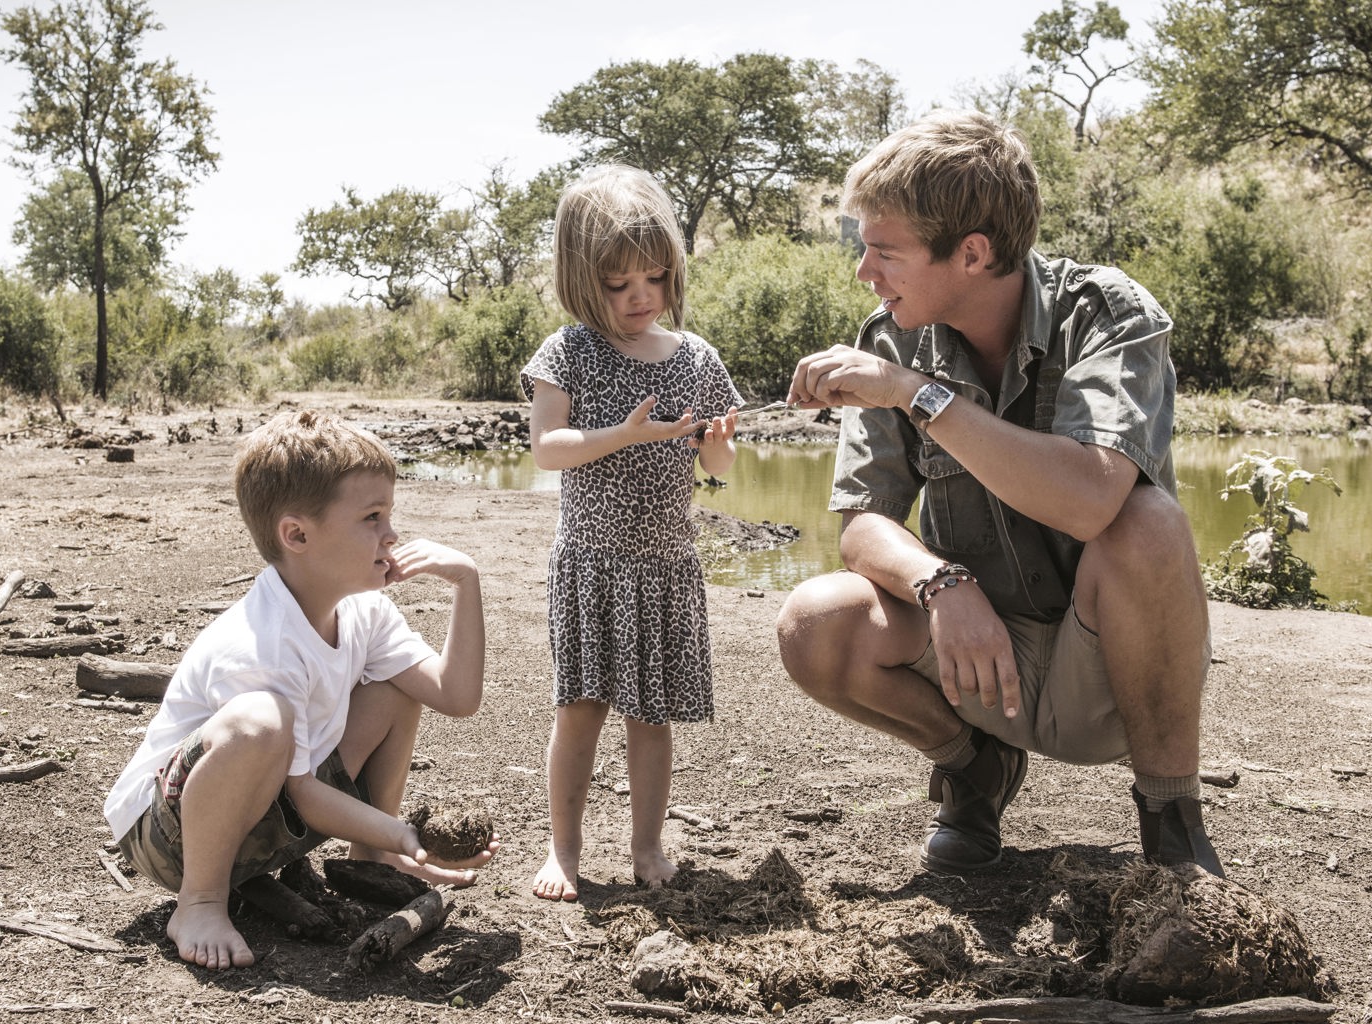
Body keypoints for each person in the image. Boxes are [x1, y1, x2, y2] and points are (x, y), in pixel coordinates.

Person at [775, 110, 1225, 879]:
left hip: (1118, 672)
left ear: (973, 253)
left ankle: (1171, 819)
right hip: (979, 662)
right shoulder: (890, 337)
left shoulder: (1107, 312)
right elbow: (862, 525)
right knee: (816, 620)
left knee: (1145, 519)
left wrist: (919, 396)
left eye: (884, 251)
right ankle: (974, 768)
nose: (865, 272)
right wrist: (942, 585)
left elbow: (1090, 500)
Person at [101, 410, 497, 970]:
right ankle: (200, 902)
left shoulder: (365, 612)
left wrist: (466, 582)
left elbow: (455, 696)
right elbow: (307, 796)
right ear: (298, 534)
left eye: (390, 514)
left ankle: (372, 857)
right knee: (261, 722)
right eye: (372, 517)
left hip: (265, 816)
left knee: (395, 688)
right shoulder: (259, 643)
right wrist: (412, 835)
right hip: (169, 837)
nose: (392, 534)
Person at [520, 164, 742, 901]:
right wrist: (624, 433)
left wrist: (717, 440)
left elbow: (718, 462)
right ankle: (565, 851)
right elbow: (547, 449)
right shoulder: (568, 352)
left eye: (653, 277)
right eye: (618, 285)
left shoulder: (696, 357)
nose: (639, 296)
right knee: (579, 712)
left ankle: (647, 849)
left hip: (665, 566)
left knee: (652, 718)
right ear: (583, 279)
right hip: (592, 564)